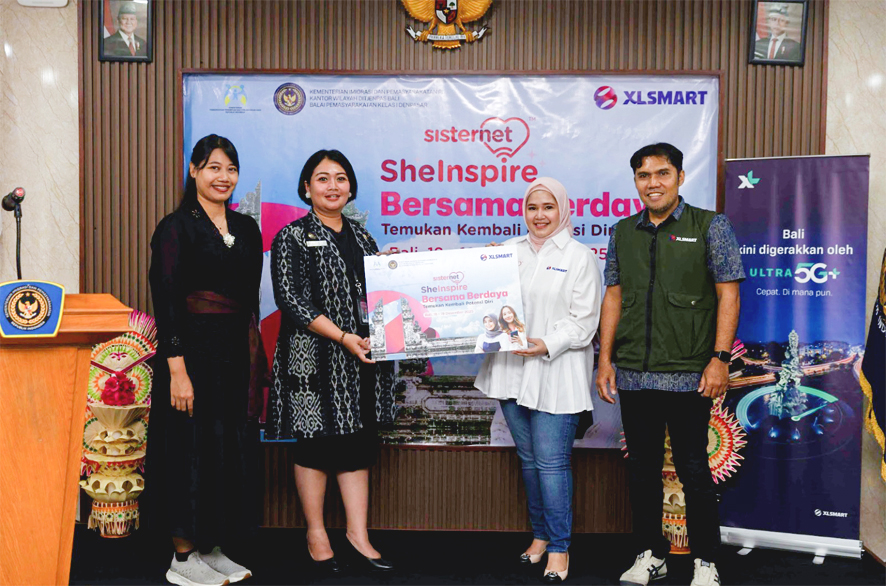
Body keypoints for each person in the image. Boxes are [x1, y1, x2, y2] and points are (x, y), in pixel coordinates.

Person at [595, 143, 744, 586]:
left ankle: (706, 561)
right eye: (644, 175)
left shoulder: (710, 226)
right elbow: (614, 296)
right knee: (642, 470)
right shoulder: (623, 232)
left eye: (662, 173)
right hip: (634, 374)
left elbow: (729, 294)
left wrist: (719, 359)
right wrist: (605, 360)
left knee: (694, 469)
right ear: (635, 182)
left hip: (689, 374)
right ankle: (650, 554)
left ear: (680, 176)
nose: (653, 183)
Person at [268, 149, 396, 575]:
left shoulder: (363, 238)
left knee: (357, 444)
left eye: (341, 178)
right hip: (314, 362)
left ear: (351, 188)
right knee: (315, 447)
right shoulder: (292, 236)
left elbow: (379, 294)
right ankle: (317, 533)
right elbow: (291, 300)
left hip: (362, 359)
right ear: (307, 188)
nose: (333, 186)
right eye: (322, 178)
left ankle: (358, 535)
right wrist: (342, 337)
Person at [149, 134, 263, 586]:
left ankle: (212, 547)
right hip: (189, 357)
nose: (223, 177)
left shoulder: (247, 228)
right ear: (194, 170)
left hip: (233, 357)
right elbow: (167, 301)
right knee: (187, 449)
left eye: (231, 169)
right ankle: (182, 556)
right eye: (214, 167)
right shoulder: (176, 227)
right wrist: (177, 370)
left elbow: (250, 300)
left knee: (225, 451)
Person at [475, 177, 601, 584]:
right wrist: (478, 273)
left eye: (548, 207)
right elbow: (485, 304)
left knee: (551, 463)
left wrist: (546, 343)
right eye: (532, 207)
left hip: (555, 371)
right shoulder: (507, 252)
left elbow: (585, 322)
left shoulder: (580, 257)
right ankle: (541, 536)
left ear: (562, 209)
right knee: (529, 461)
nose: (540, 215)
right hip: (511, 371)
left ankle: (560, 547)